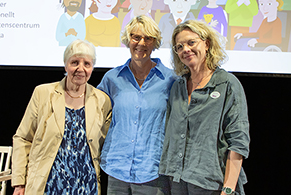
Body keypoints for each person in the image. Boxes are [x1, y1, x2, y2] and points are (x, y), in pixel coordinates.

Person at [159, 20, 250, 195]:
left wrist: (228, 189)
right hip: (177, 181)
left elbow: (238, 141)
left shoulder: (227, 84)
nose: (185, 49)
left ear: (207, 44)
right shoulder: (177, 87)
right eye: (179, 47)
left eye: (191, 42)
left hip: (211, 184)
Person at [11, 39, 112, 195]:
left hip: (86, 185)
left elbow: (105, 145)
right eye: (74, 62)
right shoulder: (43, 93)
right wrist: (19, 182)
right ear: (65, 65)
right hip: (48, 185)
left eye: (87, 64)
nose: (81, 69)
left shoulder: (102, 100)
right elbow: (23, 138)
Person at [97, 15, 175, 194]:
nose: (141, 43)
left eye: (148, 38)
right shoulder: (112, 78)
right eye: (136, 37)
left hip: (153, 171)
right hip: (116, 168)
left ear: (155, 43)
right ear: (127, 40)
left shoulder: (171, 80)